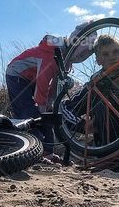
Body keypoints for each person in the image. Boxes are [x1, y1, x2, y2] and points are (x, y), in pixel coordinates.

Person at [6, 24, 95, 161]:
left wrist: (49, 104)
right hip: (17, 74)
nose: (82, 57)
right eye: (81, 53)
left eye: (85, 55)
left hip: (32, 78)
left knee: (47, 116)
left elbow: (54, 85)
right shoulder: (51, 53)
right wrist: (42, 105)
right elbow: (43, 80)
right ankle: (30, 150)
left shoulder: (65, 60)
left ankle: (47, 153)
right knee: (29, 113)